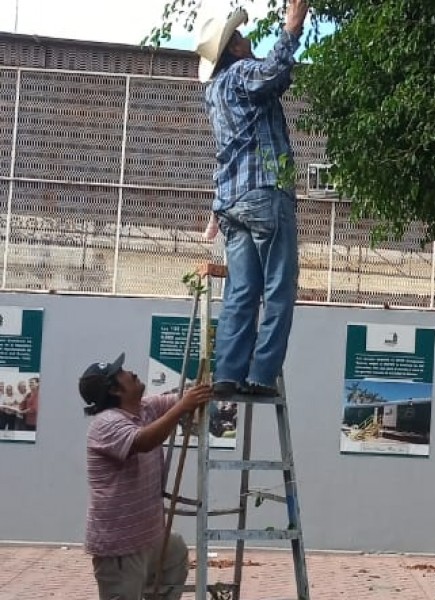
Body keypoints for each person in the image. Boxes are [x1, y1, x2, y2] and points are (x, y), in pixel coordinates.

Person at [194, 0, 309, 398]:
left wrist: (215, 209)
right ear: (233, 50)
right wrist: (292, 29)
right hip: (264, 194)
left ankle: (227, 373)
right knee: (278, 288)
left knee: (241, 292)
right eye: (240, 38)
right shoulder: (243, 74)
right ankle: (261, 375)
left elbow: (228, 151)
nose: (246, 41)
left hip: (232, 203)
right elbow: (272, 72)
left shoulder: (213, 93)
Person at [79, 352, 212, 600]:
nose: (130, 372)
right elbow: (144, 440)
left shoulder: (144, 408)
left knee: (175, 554)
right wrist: (183, 407)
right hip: (120, 545)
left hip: (148, 535)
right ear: (115, 391)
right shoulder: (106, 423)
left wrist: (208, 384)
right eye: (121, 373)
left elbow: (184, 398)